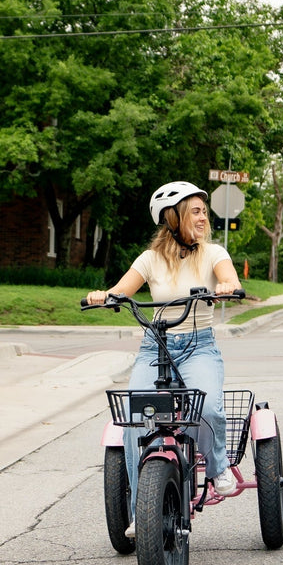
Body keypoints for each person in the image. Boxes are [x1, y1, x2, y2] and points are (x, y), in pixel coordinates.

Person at [87, 181, 243, 534]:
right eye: (196, 211)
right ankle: (140, 512)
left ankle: (216, 468)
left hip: (199, 346)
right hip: (155, 347)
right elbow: (121, 290)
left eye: (205, 211)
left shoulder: (214, 252)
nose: (204, 217)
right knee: (132, 417)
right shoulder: (150, 259)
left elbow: (228, 277)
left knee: (207, 407)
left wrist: (226, 287)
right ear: (174, 218)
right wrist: (106, 296)